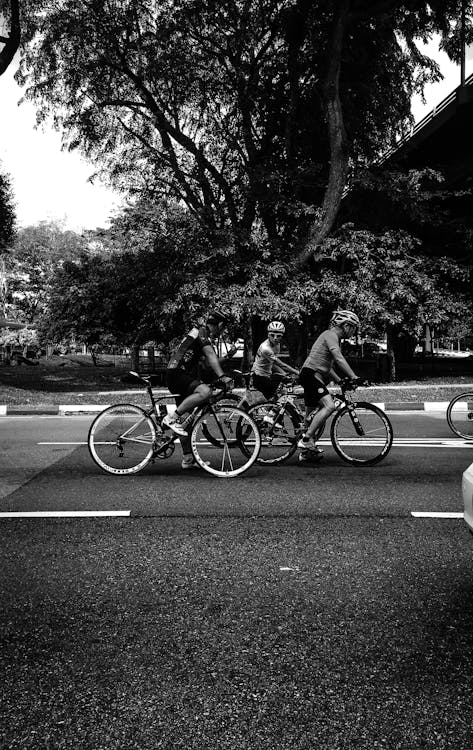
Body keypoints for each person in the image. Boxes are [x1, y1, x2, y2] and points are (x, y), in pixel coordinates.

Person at [163, 309, 233, 469]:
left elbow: (207, 364)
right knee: (205, 392)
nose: (221, 333)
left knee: (188, 419)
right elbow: (210, 355)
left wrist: (226, 359)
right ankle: (171, 418)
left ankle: (188, 458)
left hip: (180, 374)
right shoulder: (201, 332)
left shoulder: (198, 334)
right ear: (220, 325)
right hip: (178, 374)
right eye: (223, 329)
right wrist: (222, 377)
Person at [297, 310, 361, 463]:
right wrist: (354, 376)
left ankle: (307, 453)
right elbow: (338, 358)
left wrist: (340, 381)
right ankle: (306, 441)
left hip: (311, 376)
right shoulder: (331, 335)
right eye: (353, 328)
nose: (353, 332)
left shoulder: (334, 338)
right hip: (311, 375)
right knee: (329, 405)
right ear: (346, 326)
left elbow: (328, 367)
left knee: (310, 417)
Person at [251, 321, 299, 400]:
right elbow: (281, 364)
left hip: (267, 374)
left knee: (278, 395)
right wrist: (297, 372)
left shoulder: (277, 345)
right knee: (275, 400)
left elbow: (272, 364)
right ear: (268, 335)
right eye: (272, 335)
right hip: (259, 376)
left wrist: (284, 374)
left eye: (278, 336)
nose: (275, 338)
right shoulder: (265, 348)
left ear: (282, 336)